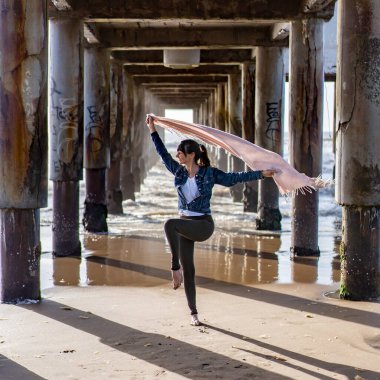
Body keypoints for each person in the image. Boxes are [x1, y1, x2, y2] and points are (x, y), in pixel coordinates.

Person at [146, 115, 276, 326]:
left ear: (190, 154)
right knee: (189, 269)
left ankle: (173, 268)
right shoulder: (178, 172)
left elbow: (235, 178)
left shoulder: (209, 173)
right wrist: (152, 129)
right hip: (186, 224)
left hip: (203, 225)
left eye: (180, 151)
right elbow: (162, 153)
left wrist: (262, 174)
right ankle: (194, 314)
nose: (177, 154)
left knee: (169, 224)